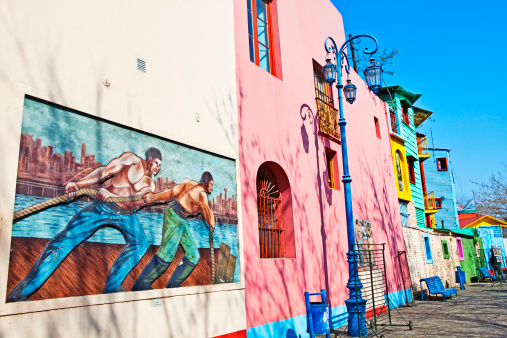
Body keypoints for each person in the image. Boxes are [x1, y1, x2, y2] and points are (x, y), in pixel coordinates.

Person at [7, 148, 162, 302]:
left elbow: (135, 200)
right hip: (103, 207)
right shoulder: (132, 160)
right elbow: (104, 171)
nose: (158, 168)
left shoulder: (151, 185)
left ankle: (112, 288)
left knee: (141, 243)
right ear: (149, 158)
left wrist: (114, 195)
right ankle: (20, 293)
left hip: (127, 216)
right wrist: (78, 184)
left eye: (160, 166)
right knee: (64, 240)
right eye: (156, 163)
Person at [131, 172, 215, 290]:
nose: (212, 187)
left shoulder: (188, 183)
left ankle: (173, 283)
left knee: (193, 254)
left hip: (180, 219)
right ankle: (140, 284)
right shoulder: (202, 194)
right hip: (174, 217)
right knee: (167, 253)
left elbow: (171, 192)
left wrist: (153, 197)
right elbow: (211, 222)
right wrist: (207, 211)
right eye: (211, 184)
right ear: (206, 182)